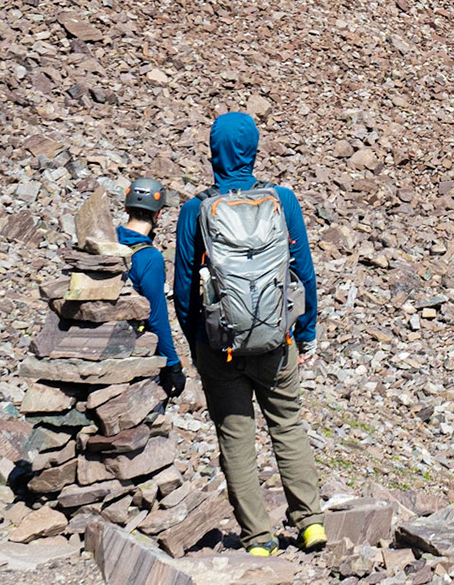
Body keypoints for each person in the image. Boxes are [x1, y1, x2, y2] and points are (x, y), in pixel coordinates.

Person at [171, 112, 326, 556]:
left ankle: (259, 538)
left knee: (235, 435)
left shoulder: (194, 210)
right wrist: (307, 330)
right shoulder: (282, 201)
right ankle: (311, 523)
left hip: (219, 347)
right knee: (288, 425)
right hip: (277, 342)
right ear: (254, 150)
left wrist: (198, 342)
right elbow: (303, 273)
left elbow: (183, 289)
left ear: (213, 152)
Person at [117, 177, 185, 398]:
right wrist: (172, 364)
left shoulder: (106, 241)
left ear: (126, 207)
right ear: (158, 214)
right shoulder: (149, 257)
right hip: (128, 349)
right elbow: (156, 317)